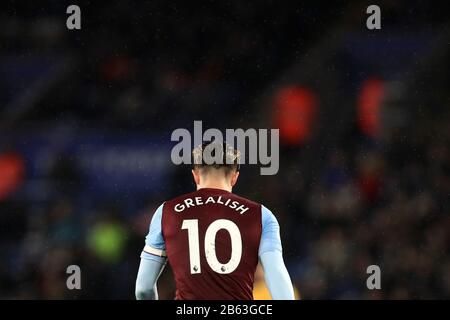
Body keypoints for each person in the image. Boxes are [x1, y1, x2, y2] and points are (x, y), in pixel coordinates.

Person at [135, 141, 295, 300]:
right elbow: (277, 276)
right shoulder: (261, 215)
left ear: (195, 175)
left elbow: (143, 288)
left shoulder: (166, 212)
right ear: (234, 177)